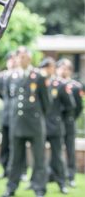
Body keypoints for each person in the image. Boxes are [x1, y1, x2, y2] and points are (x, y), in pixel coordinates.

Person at [2, 47, 49, 197]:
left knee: (39, 159)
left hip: (34, 124)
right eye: (18, 57)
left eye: (23, 57)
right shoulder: (12, 76)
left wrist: (38, 116)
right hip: (17, 123)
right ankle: (11, 187)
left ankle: (39, 188)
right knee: (15, 158)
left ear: (29, 58)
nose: (19, 59)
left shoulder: (38, 76)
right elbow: (9, 98)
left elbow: (46, 103)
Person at [39, 57, 73, 194]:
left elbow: (70, 106)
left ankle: (62, 183)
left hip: (55, 126)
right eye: (44, 66)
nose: (47, 69)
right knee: (39, 157)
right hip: (40, 126)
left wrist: (59, 117)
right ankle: (38, 183)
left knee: (58, 157)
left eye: (49, 66)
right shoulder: (39, 82)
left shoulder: (59, 84)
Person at [56, 58, 84, 187]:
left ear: (70, 71)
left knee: (70, 150)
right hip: (56, 122)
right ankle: (55, 175)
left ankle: (71, 176)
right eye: (61, 67)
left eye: (66, 68)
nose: (64, 70)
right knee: (56, 150)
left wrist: (71, 117)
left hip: (69, 122)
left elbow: (79, 107)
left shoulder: (76, 86)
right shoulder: (53, 84)